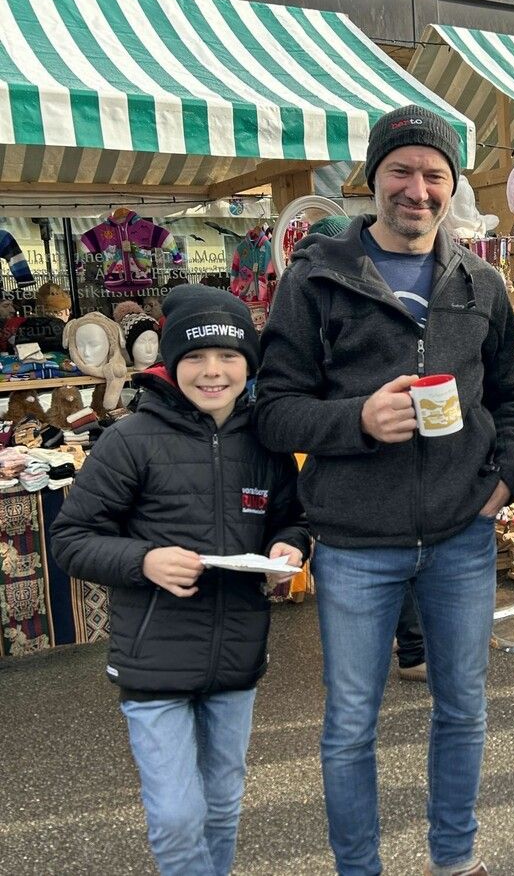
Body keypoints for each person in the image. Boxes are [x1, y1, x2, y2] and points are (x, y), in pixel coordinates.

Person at [254, 105, 514, 876]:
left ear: (452, 187)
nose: (418, 188)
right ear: (373, 179)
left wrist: (503, 479)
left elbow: (508, 395)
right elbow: (274, 411)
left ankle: (454, 859)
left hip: (460, 537)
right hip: (353, 542)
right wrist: (358, 420)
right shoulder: (316, 278)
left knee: (464, 712)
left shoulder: (482, 283)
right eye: (401, 171)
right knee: (348, 725)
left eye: (435, 175)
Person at [51, 284, 307, 876]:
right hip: (153, 658)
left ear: (250, 363)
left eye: (228, 356)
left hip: (238, 656)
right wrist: (144, 561)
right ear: (170, 362)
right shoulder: (129, 441)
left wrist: (288, 548)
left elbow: (292, 519)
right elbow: (71, 539)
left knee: (222, 804)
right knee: (175, 815)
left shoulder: (267, 444)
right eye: (194, 357)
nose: (212, 372)